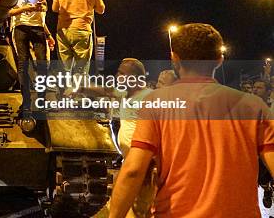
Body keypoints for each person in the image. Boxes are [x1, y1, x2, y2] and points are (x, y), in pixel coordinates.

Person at [109, 23, 274, 218]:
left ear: (174, 58)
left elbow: (133, 171)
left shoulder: (157, 103)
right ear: (219, 60)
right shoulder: (254, 106)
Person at [52, 0, 105, 75]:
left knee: (64, 67)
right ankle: (78, 91)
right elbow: (101, 10)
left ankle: (64, 91)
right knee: (81, 68)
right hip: (82, 29)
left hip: (63, 30)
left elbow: (54, 8)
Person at [8, 0, 49, 115]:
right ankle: (26, 101)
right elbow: (8, 12)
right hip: (20, 27)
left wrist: (40, 6)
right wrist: (25, 8)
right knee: (23, 64)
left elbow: (44, 5)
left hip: (37, 26)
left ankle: (41, 100)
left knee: (43, 63)